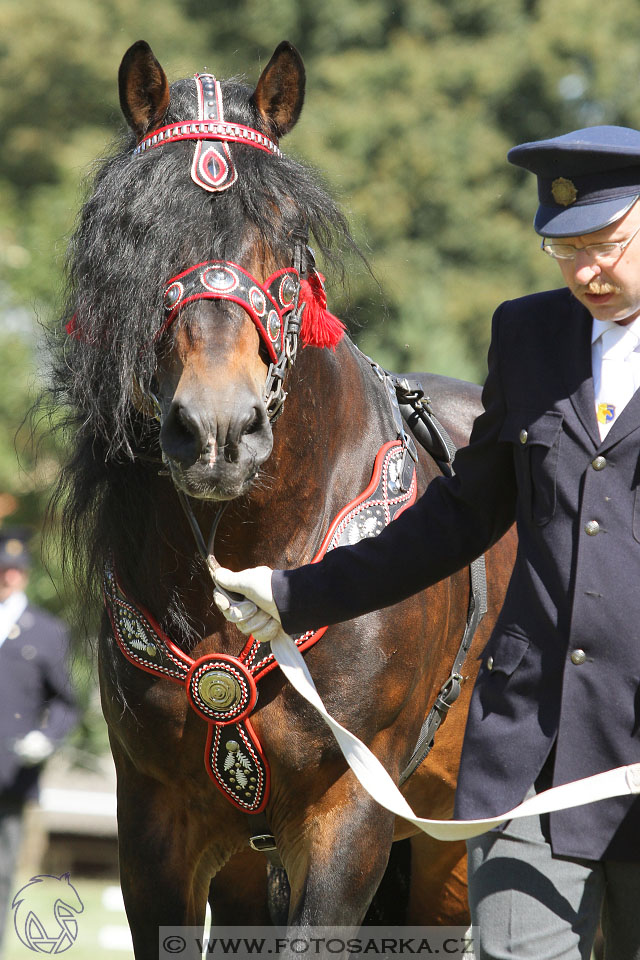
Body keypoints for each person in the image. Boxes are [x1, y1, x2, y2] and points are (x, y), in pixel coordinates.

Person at [212, 125, 640, 959]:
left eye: (607, 245)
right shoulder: (528, 336)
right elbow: (459, 519)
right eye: (563, 251)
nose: (585, 270)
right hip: (531, 758)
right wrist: (297, 594)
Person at [0, 527, 77, 954]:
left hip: (10, 777)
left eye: (16, 570)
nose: (9, 577)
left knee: (1, 872)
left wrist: (45, 739)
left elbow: (66, 703)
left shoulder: (46, 633)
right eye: (4, 569)